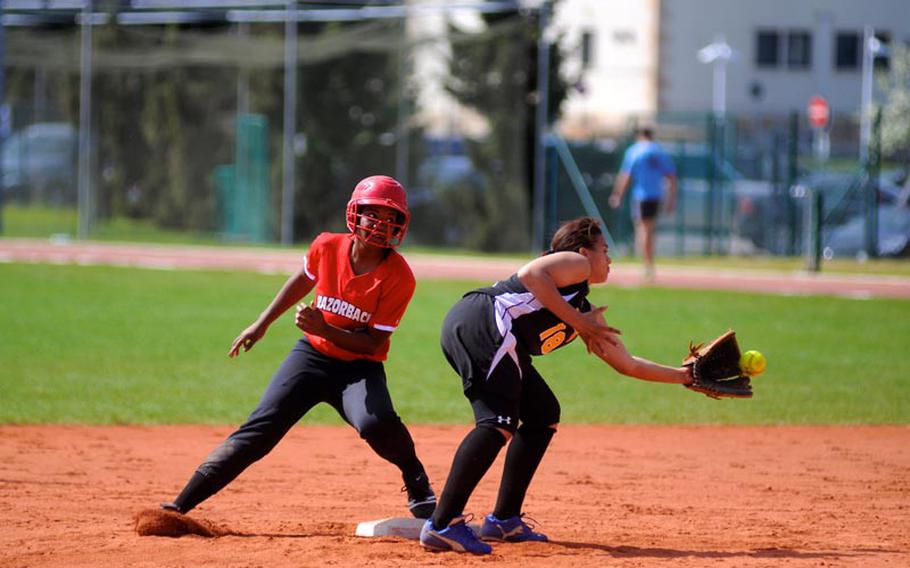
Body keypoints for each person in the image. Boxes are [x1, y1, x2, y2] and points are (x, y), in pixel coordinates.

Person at [160, 175, 436, 520]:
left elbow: (372, 342)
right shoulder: (327, 246)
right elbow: (302, 280)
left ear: (400, 223)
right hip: (311, 358)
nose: (380, 223)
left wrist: (325, 328)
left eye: (390, 216)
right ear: (356, 213)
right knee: (259, 431)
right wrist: (261, 323)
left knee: (375, 422)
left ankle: (415, 476)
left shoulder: (399, 277)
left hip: (358, 367)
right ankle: (181, 505)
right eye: (373, 213)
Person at [418, 216, 693, 554]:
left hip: (493, 334)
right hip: (484, 321)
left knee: (542, 413)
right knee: (497, 422)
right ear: (582, 251)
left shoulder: (583, 309)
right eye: (604, 251)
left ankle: (504, 521)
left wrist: (684, 376)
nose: (609, 260)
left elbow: (628, 364)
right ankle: (443, 524)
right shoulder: (575, 264)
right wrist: (578, 322)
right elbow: (531, 274)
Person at [609, 126, 678, 281]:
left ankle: (647, 265)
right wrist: (671, 199)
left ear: (639, 136)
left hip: (641, 196)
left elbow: (626, 175)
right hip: (656, 195)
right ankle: (649, 262)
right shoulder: (659, 151)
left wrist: (617, 194)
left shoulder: (635, 150)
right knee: (650, 228)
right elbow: (672, 177)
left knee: (642, 229)